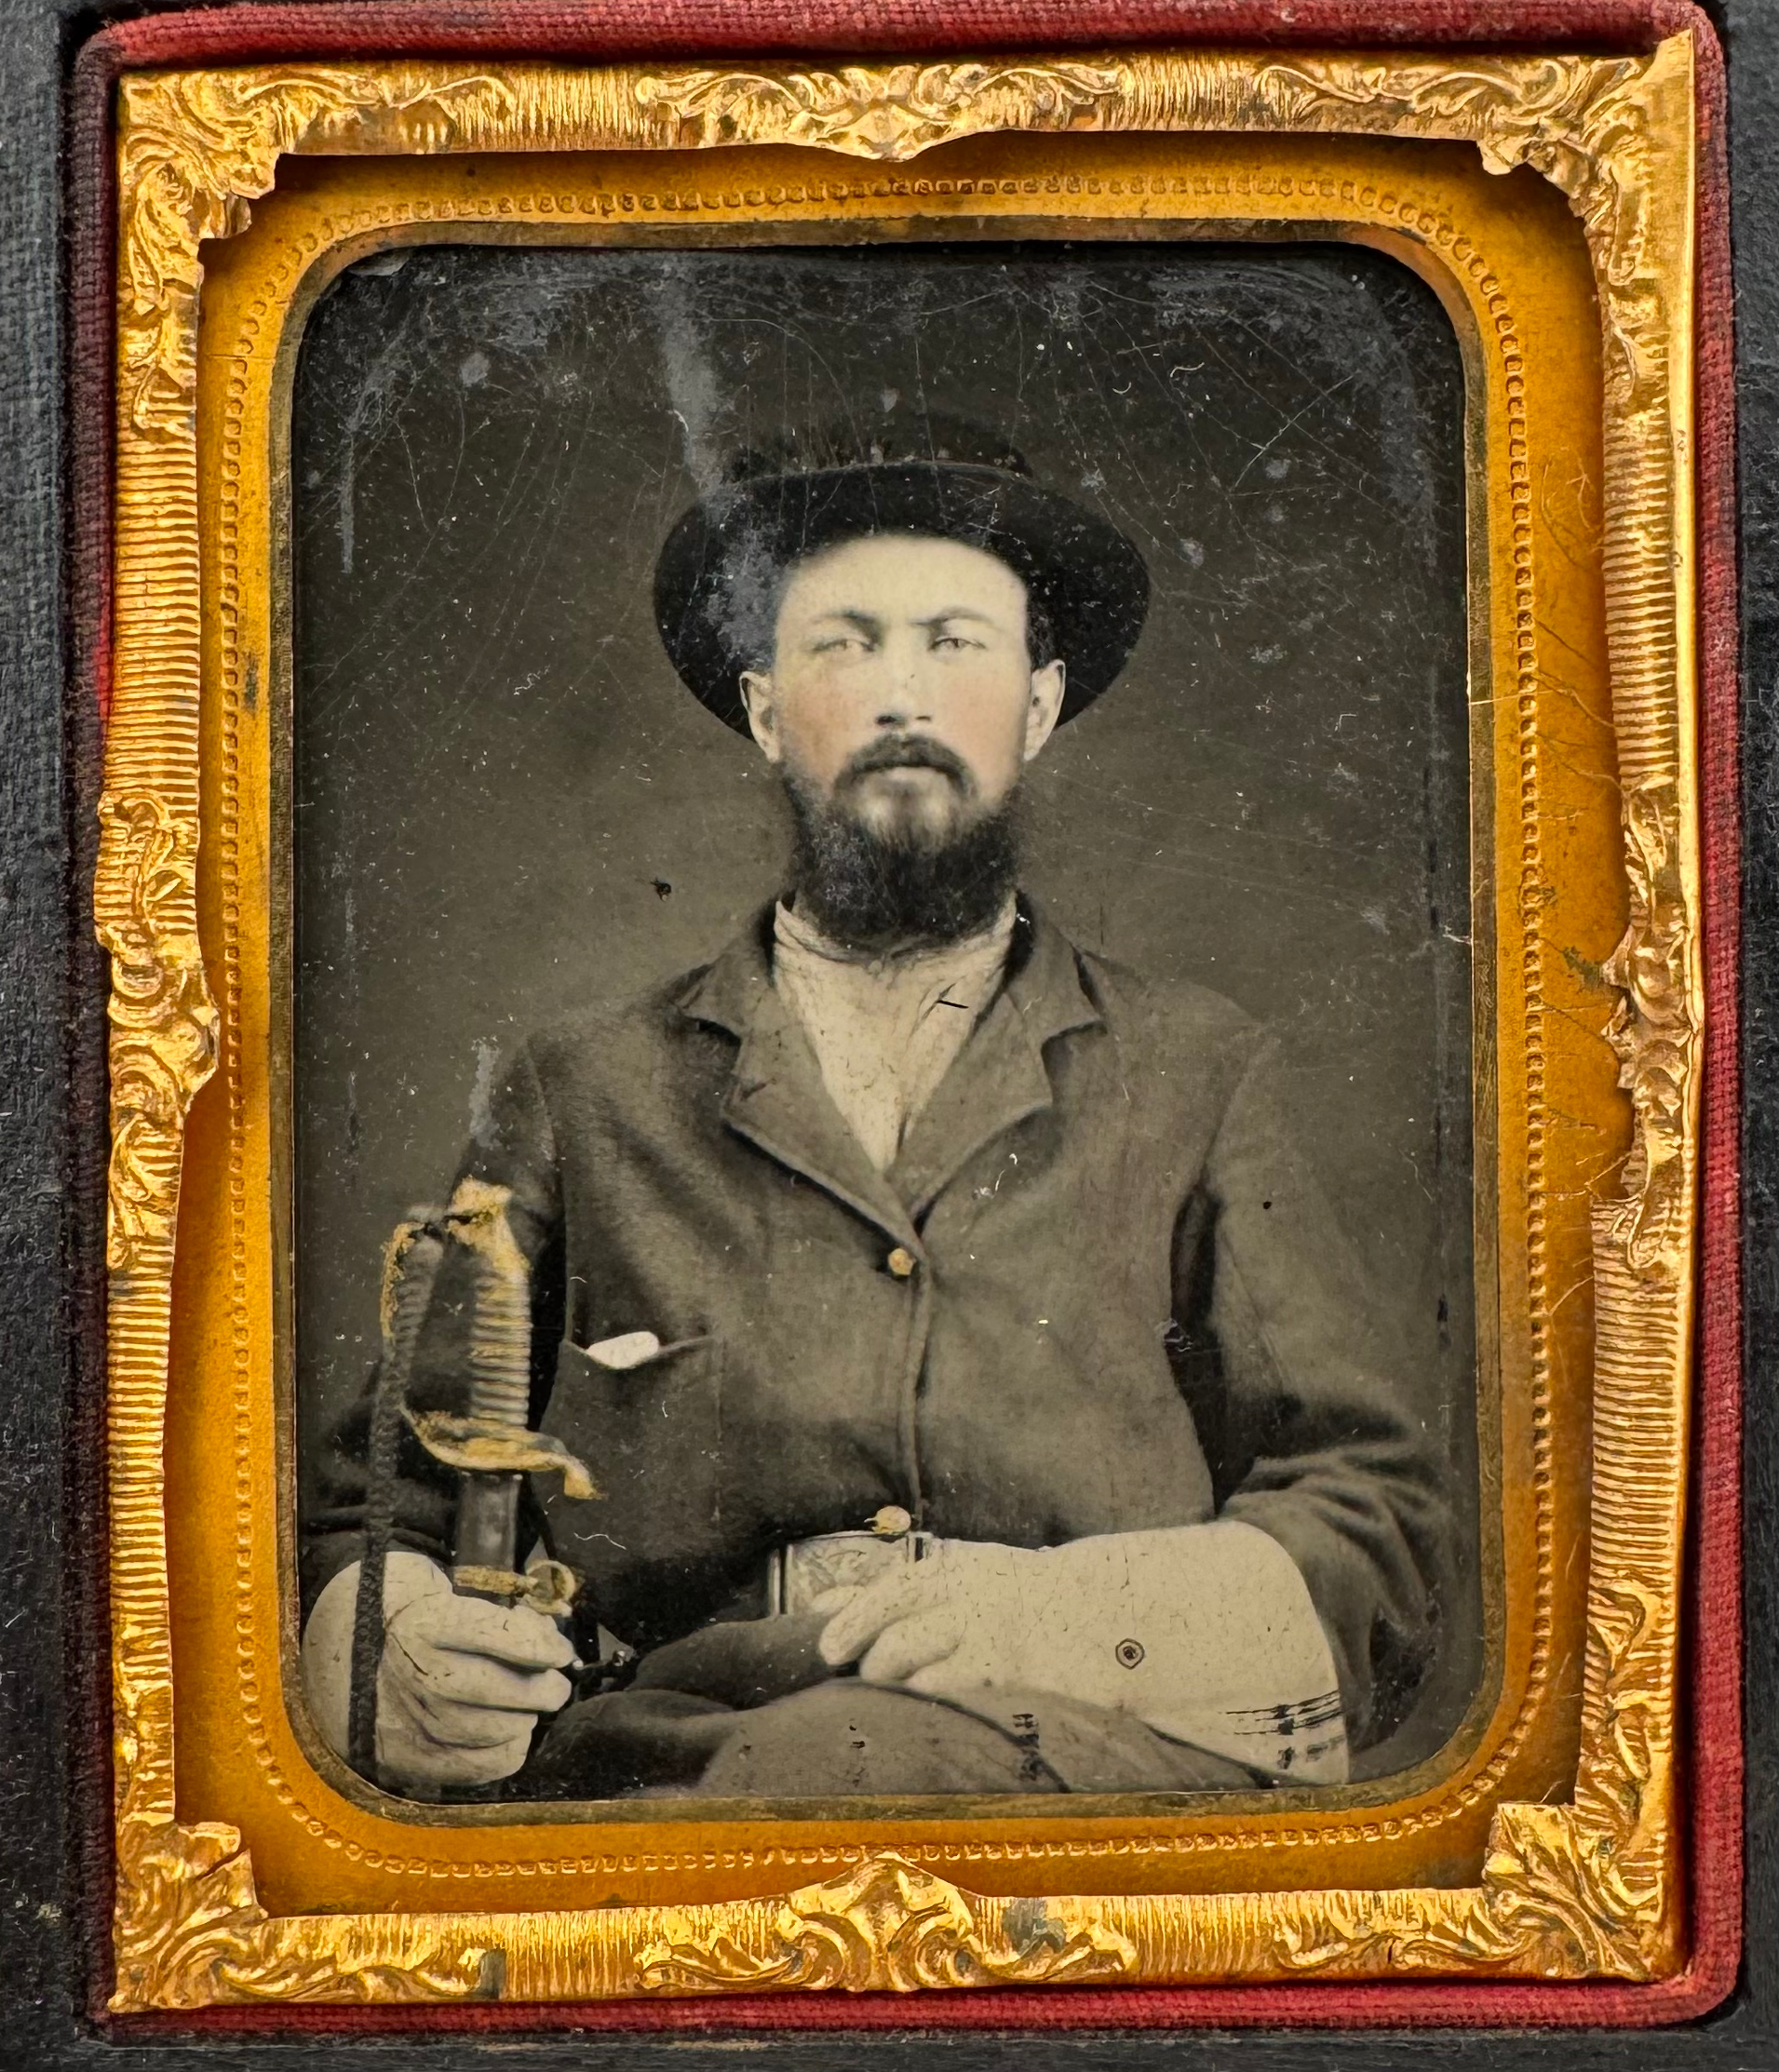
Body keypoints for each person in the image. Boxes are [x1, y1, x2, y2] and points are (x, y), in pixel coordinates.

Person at [299, 416, 1451, 1802]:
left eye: (955, 643)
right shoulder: (580, 1085)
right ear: (764, 710)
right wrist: (408, 1660)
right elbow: (377, 1512)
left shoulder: (1198, 1071)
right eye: (845, 645)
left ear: (1037, 708)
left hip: (1092, 1771)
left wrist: (1076, 1620)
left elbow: (1376, 1521)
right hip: (674, 1767)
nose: (903, 696)